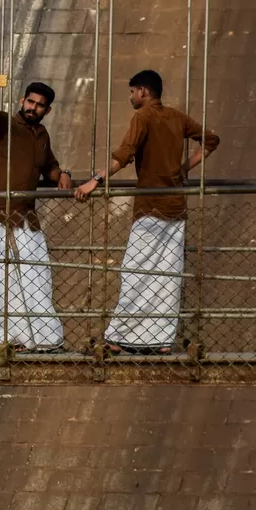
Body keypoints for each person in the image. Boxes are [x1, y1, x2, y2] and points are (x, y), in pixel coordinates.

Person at [73, 69, 220, 354]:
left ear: (143, 91)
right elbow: (211, 140)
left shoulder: (143, 116)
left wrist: (95, 180)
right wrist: (183, 170)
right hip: (176, 207)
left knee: (135, 272)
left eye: (132, 92)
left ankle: (117, 337)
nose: (131, 97)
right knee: (167, 275)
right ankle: (160, 340)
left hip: (150, 207)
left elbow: (124, 155)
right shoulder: (177, 117)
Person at [0, 70, 73, 352]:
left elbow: (50, 167)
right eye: (30, 102)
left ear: (47, 109)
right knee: (2, 278)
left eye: (39, 105)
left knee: (37, 274)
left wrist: (62, 174)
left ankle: (44, 340)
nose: (33, 108)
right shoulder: (10, 125)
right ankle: (7, 340)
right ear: (22, 100)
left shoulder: (42, 134)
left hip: (26, 217)